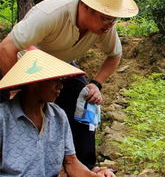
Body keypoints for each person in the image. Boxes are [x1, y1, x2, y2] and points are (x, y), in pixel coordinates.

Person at [0, 0, 138, 169]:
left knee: (84, 96)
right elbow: (6, 48)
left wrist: (96, 83)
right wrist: (19, 89)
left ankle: (83, 166)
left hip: (59, 65)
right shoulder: (50, 13)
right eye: (106, 18)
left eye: (114, 19)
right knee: (9, 111)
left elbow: (114, 55)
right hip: (20, 61)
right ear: (85, 6)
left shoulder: (105, 27)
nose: (110, 25)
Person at [0, 48, 116, 177]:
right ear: (33, 83)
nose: (60, 86)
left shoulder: (58, 116)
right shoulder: (3, 118)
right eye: (54, 80)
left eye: (61, 80)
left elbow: (71, 162)